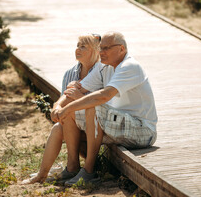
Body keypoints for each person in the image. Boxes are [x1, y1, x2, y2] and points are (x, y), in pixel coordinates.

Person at [56, 31, 158, 186]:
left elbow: (103, 96)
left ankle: (89, 172)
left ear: (121, 49)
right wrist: (58, 106)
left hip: (142, 130)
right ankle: (72, 167)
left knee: (92, 107)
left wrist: (67, 107)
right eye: (100, 48)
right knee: (72, 114)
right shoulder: (104, 66)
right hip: (119, 125)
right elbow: (77, 88)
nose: (101, 52)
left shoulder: (130, 66)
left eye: (106, 48)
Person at [21, 33, 101, 184]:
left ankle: (75, 168)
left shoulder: (102, 71)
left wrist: (78, 99)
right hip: (75, 123)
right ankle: (43, 174)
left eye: (83, 46)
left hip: (96, 122)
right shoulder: (70, 73)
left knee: (68, 116)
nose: (78, 49)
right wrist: (56, 107)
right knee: (58, 126)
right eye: (77, 46)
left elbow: (100, 102)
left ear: (96, 50)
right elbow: (64, 99)